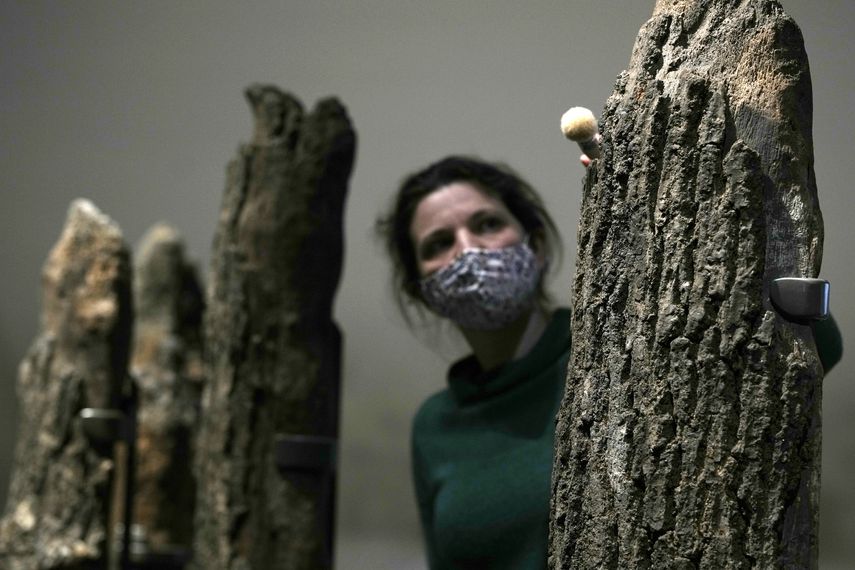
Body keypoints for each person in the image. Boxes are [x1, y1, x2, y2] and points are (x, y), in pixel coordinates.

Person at [376, 155, 843, 569]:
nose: (467, 248)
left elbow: (814, 348)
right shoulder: (436, 424)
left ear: (535, 246)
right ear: (422, 291)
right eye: (438, 244)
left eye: (486, 224)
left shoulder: (613, 348)